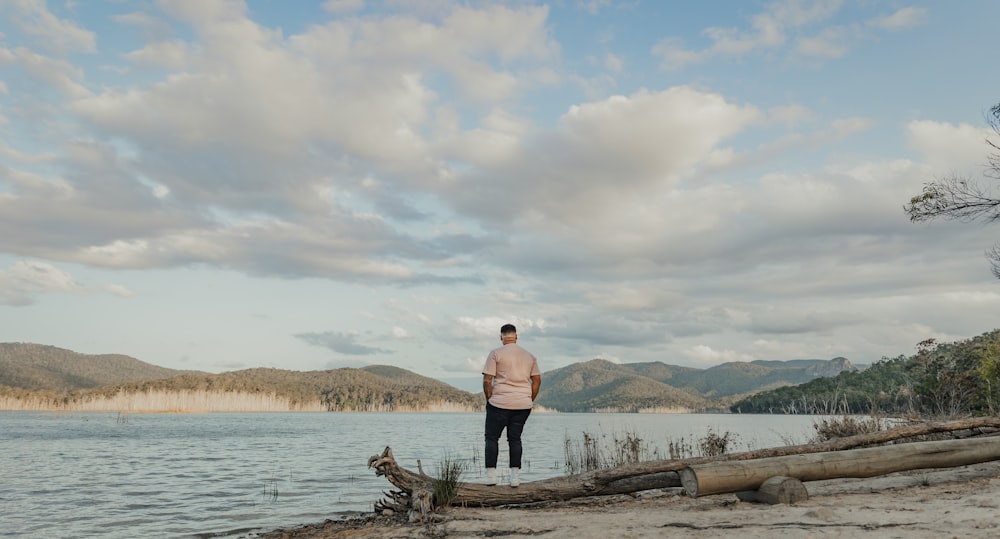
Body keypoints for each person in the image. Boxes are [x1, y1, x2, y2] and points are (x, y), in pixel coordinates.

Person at [481, 323, 541, 487]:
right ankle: (515, 478)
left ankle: (491, 476)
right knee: (515, 439)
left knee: (492, 438)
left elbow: (487, 380)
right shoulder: (529, 356)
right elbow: (536, 381)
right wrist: (529, 398)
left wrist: (489, 399)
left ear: (501, 337)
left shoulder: (495, 354)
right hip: (522, 405)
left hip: (499, 403)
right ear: (516, 336)